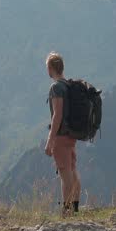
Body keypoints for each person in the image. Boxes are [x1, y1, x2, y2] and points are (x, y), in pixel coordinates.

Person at [44, 52, 81, 215]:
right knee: (72, 173)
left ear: (51, 68)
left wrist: (50, 141)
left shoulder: (56, 87)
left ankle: (67, 212)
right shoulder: (68, 85)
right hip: (71, 136)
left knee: (66, 176)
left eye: (47, 67)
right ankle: (75, 209)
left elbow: (57, 115)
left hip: (60, 137)